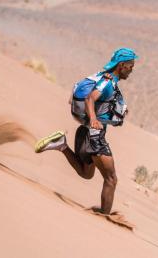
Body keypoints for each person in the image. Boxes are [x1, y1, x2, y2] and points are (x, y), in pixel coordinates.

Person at [34, 48, 138, 215]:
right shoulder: (107, 82)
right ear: (121, 65)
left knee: (86, 173)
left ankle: (61, 145)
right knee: (111, 179)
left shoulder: (102, 77)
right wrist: (94, 119)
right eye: (130, 66)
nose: (132, 70)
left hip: (85, 132)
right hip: (94, 135)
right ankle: (104, 218)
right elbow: (90, 98)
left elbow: (78, 94)